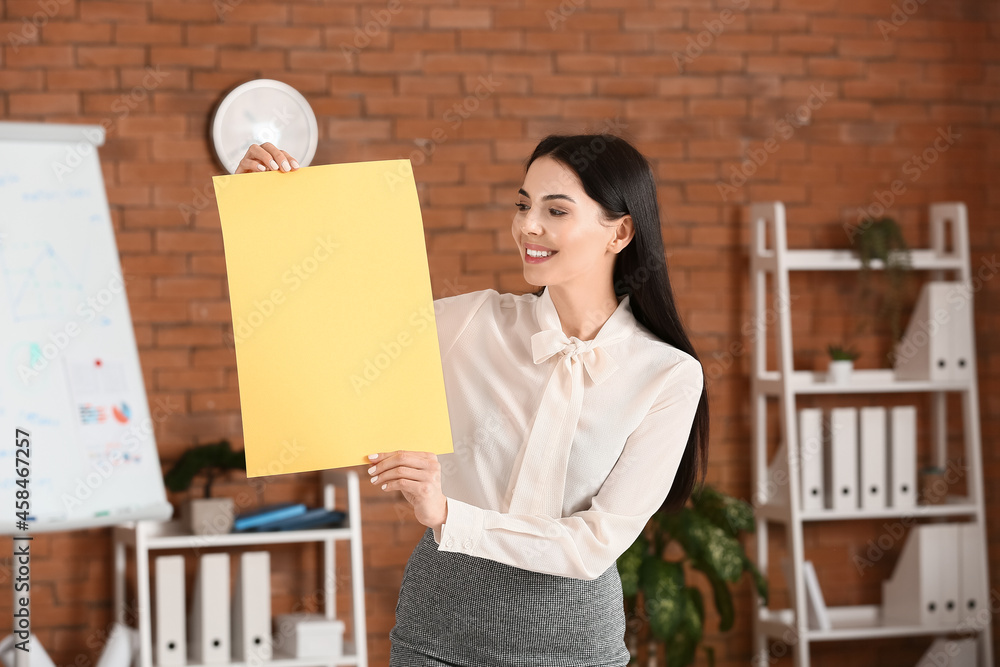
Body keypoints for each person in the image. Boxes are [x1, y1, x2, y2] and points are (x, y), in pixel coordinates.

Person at [236, 135, 708, 667]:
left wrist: (445, 514)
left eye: (556, 210)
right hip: (437, 629)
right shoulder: (473, 323)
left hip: (573, 643)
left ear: (619, 232)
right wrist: (269, 211)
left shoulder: (668, 375)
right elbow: (327, 327)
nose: (529, 226)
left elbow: (593, 544)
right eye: (523, 205)